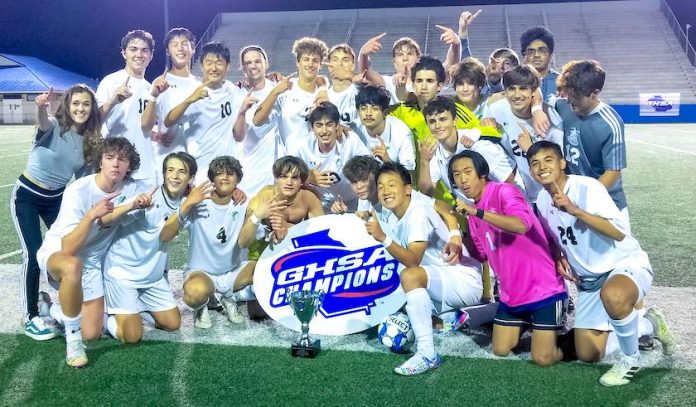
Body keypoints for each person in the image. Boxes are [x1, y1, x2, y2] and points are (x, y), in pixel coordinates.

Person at [527, 141, 677, 386]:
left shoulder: (588, 187)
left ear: (562, 163)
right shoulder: (543, 202)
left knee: (614, 295)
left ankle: (631, 359)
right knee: (589, 354)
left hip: (624, 264)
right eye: (535, 163)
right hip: (589, 282)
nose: (541, 167)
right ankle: (649, 324)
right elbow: (554, 237)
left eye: (548, 160)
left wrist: (576, 210)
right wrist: (557, 256)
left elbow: (618, 232)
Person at [448, 150, 567, 366]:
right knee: (500, 349)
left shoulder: (505, 191)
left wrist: (478, 213)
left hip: (543, 289)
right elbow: (481, 254)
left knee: (543, 358)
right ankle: (532, 323)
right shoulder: (473, 213)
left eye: (467, 171)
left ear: (482, 173)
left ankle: (575, 337)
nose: (462, 179)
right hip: (512, 295)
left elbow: (521, 224)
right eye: (456, 175)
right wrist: (458, 238)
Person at [36, 137, 148, 367]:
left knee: (92, 333)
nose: (115, 164)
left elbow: (162, 192)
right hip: (61, 251)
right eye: (109, 158)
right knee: (72, 266)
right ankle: (73, 341)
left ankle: (50, 309)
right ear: (100, 162)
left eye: (122, 159)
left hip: (93, 261)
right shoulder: (79, 190)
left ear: (130, 165)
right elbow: (69, 248)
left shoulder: (133, 188)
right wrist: (91, 216)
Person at [365, 162, 482, 375]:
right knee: (395, 296)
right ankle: (451, 318)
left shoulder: (416, 214)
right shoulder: (398, 210)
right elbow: (441, 206)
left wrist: (382, 236)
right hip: (443, 278)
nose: (385, 191)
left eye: (392, 185)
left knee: (409, 276)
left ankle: (427, 354)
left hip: (462, 278)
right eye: (381, 187)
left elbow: (412, 262)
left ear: (408, 189)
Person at [12, 84, 102, 341]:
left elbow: (85, 181)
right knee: (32, 252)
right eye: (75, 103)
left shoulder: (88, 141)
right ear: (67, 106)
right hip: (27, 196)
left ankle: (59, 305)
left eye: (85, 104)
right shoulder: (52, 125)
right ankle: (30, 317)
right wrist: (40, 106)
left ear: (91, 108)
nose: (80, 108)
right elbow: (41, 122)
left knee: (69, 249)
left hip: (56, 200)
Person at [103, 152, 207, 343]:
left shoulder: (187, 202)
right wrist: (134, 205)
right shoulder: (147, 195)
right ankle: (102, 319)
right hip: (123, 273)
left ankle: (133, 307)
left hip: (151, 277)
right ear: (163, 173)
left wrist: (236, 192)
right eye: (170, 170)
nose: (175, 176)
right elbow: (105, 220)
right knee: (132, 337)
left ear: (191, 178)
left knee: (173, 324)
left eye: (182, 172)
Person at [223, 156, 325, 312]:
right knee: (258, 313)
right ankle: (233, 293)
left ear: (302, 181)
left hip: (293, 251)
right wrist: (259, 218)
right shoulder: (262, 200)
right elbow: (243, 242)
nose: (289, 182)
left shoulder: (308, 198)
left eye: (294, 178)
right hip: (263, 253)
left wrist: (288, 227)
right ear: (276, 178)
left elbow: (321, 234)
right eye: (283, 176)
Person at [552, 60, 630, 227]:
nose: (571, 100)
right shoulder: (564, 105)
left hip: (606, 201)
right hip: (571, 199)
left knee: (620, 251)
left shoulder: (610, 123)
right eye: (569, 93)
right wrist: (537, 110)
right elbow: (537, 98)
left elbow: (613, 171)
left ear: (594, 93)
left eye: (577, 95)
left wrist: (585, 200)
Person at [164, 41, 254, 180]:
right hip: (202, 170)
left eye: (219, 62)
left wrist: (242, 112)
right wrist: (189, 100)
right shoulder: (192, 91)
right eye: (209, 62)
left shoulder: (235, 91)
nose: (214, 68)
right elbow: (168, 121)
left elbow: (239, 137)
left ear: (227, 66)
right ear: (201, 66)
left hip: (229, 169)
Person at [180, 156, 250, 328]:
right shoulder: (197, 202)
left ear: (238, 180)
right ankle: (202, 304)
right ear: (212, 178)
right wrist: (188, 201)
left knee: (266, 271)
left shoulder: (243, 203)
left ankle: (230, 297)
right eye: (219, 173)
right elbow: (176, 218)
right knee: (195, 294)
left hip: (232, 272)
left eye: (230, 174)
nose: (224, 177)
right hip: (202, 272)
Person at [486, 65, 563, 204]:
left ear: (533, 92)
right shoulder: (495, 110)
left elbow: (558, 167)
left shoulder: (552, 122)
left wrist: (531, 150)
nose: (516, 95)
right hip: (513, 196)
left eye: (522, 89)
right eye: (511, 89)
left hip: (546, 196)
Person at [419, 97, 515, 200]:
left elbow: (510, 181)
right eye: (432, 121)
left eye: (443, 119)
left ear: (455, 121)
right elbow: (427, 192)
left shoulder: (478, 144)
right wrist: (424, 161)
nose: (437, 126)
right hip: (475, 212)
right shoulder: (434, 151)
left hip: (504, 204)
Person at [96, 30, 158, 184]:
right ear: (124, 53)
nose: (139, 54)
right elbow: (94, 121)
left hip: (144, 169)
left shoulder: (152, 90)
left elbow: (144, 127)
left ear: (151, 55)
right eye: (133, 49)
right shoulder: (110, 82)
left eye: (144, 50)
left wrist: (156, 135)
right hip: (115, 168)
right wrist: (112, 101)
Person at [285, 102, 371, 212]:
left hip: (353, 201)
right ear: (312, 127)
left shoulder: (350, 140)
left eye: (329, 124)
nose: (324, 131)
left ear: (337, 125)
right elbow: (284, 175)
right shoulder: (301, 145)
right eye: (319, 125)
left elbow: (370, 168)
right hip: (319, 203)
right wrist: (306, 178)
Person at [141, 27, 200, 184]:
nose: (180, 48)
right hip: (166, 160)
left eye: (184, 43)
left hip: (196, 163)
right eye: (174, 44)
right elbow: (146, 125)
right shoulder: (160, 83)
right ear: (167, 51)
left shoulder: (200, 84)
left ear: (193, 49)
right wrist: (154, 96)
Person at [252, 37, 329, 148]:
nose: (310, 64)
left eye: (315, 60)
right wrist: (274, 92)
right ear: (298, 62)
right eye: (306, 59)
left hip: (317, 161)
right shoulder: (285, 90)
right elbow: (257, 121)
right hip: (291, 162)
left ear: (320, 64)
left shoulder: (325, 93)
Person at [237, 45, 283, 196]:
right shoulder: (237, 94)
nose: (253, 66)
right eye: (248, 63)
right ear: (243, 67)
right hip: (249, 170)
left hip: (278, 171)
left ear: (266, 64)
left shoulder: (279, 88)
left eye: (257, 61)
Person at [353, 86, 415, 171]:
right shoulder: (352, 129)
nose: (368, 114)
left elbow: (409, 174)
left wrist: (387, 160)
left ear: (385, 113)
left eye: (375, 108)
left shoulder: (401, 132)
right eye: (363, 109)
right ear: (358, 112)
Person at [520, 26, 559, 102]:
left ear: (551, 56)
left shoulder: (563, 82)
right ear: (524, 56)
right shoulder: (516, 83)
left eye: (542, 50)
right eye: (531, 52)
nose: (536, 55)